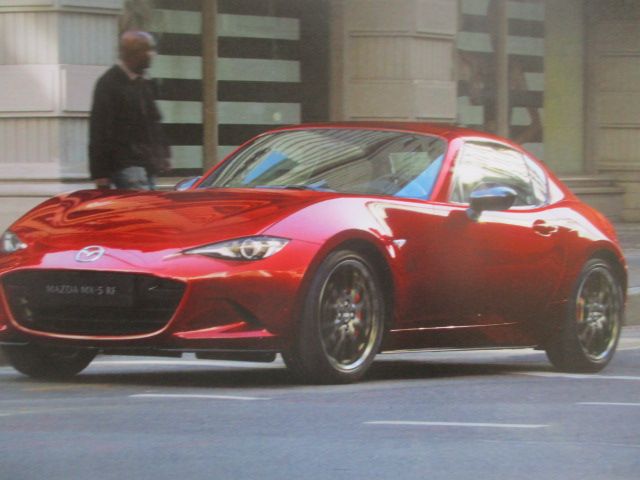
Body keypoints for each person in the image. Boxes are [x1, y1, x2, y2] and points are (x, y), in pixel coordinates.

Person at [89, 30, 170, 190]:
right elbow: (99, 129)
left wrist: (163, 154)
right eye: (148, 49)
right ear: (133, 53)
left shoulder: (143, 82)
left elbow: (154, 121)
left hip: (146, 163)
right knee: (141, 203)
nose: (152, 55)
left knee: (147, 203)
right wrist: (100, 173)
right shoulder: (109, 83)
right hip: (126, 164)